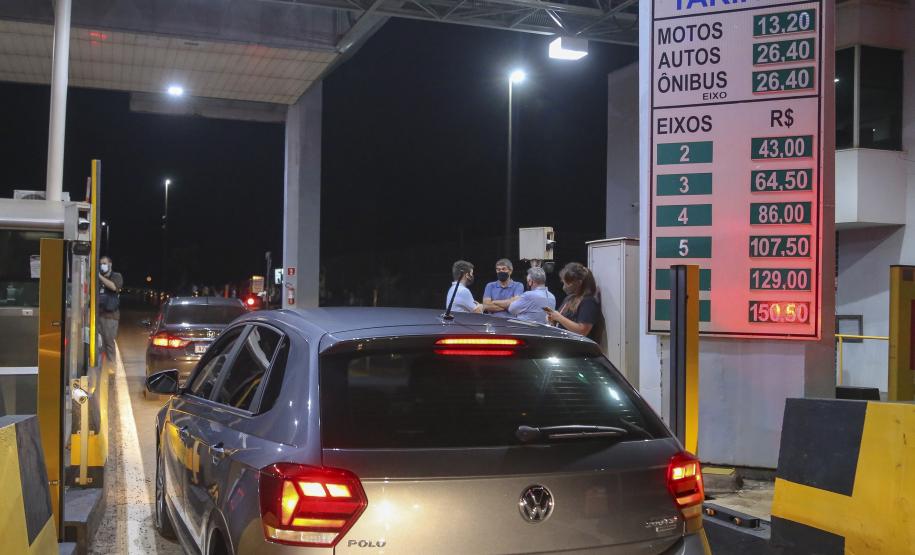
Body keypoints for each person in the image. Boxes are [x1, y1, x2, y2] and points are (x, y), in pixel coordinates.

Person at [546, 262, 601, 340]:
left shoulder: (588, 302)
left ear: (578, 283)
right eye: (563, 283)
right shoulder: (569, 298)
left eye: (567, 283)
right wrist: (553, 320)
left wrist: (559, 317)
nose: (564, 287)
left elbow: (582, 331)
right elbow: (563, 322)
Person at [98, 256, 124, 366]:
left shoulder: (116, 276)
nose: (102, 265)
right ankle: (101, 369)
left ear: (110, 264)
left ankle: (111, 369)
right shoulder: (98, 280)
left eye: (104, 263)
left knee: (109, 343)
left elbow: (114, 287)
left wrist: (99, 276)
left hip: (111, 317)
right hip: (98, 316)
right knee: (99, 345)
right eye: (101, 264)